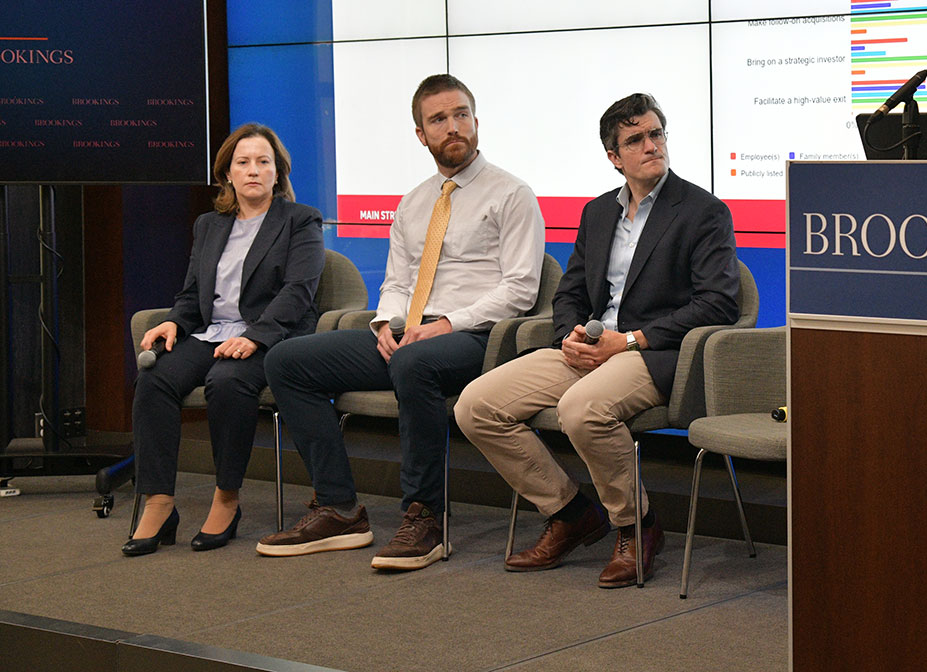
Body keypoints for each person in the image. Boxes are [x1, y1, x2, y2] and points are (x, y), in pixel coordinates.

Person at [257, 73, 544, 571]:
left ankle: (426, 517)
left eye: (460, 115)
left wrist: (446, 324)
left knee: (414, 363)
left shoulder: (512, 194)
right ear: (421, 134)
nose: (452, 127)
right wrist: (385, 325)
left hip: (477, 339)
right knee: (286, 361)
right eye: (438, 120)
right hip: (410, 335)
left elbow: (520, 290)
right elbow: (397, 281)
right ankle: (340, 508)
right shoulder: (414, 202)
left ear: (477, 122)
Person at [455, 92, 741, 588]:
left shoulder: (702, 211)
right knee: (475, 405)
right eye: (636, 140)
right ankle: (568, 512)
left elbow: (719, 303)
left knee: (581, 409)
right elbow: (571, 290)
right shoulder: (597, 213)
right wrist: (570, 333)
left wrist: (629, 341)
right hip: (592, 344)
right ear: (615, 157)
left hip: (656, 352)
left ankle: (637, 526)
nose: (651, 146)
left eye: (656, 134)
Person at [125, 124, 324, 556]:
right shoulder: (209, 225)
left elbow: (299, 292)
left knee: (228, 381)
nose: (253, 170)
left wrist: (256, 337)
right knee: (154, 378)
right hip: (212, 331)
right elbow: (192, 294)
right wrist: (174, 322)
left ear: (278, 173)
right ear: (227, 174)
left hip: (274, 335)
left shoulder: (300, 220)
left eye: (263, 162)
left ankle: (227, 498)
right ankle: (160, 501)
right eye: (243, 162)